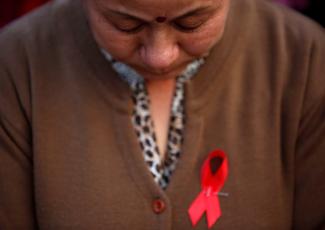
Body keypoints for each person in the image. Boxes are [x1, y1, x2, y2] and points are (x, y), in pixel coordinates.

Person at [0, 0, 324, 229]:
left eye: (191, 22)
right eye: (125, 23)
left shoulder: (304, 60)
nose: (160, 58)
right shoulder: (17, 65)